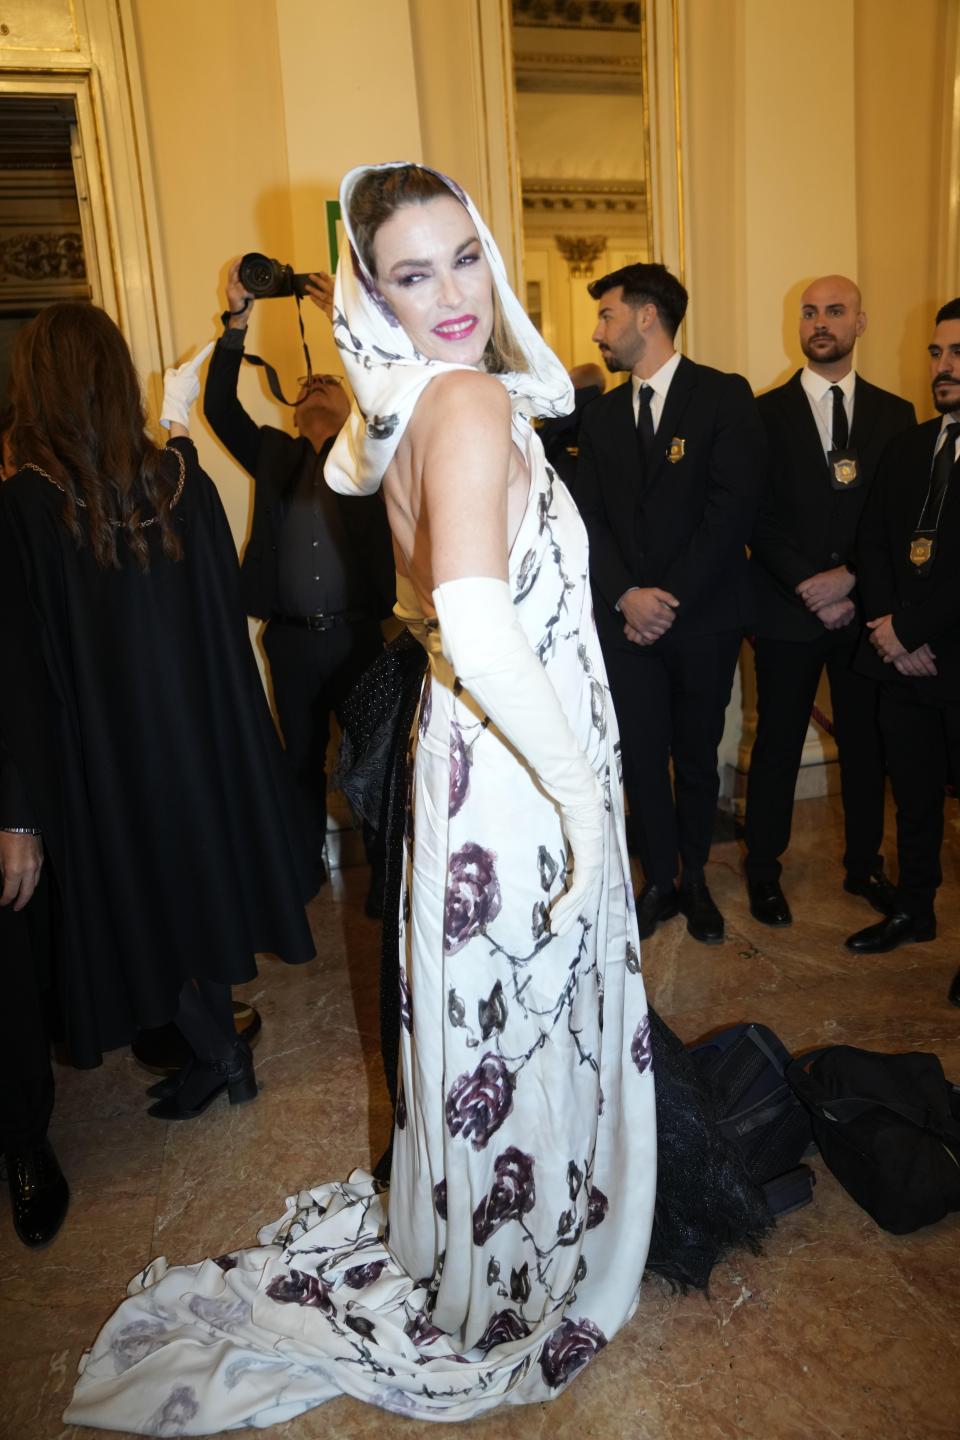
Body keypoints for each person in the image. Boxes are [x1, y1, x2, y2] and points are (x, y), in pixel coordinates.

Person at [65, 165, 768, 1433]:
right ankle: (521, 1258)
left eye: (463, 258)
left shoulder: (399, 411)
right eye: (410, 273)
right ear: (371, 294)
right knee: (530, 1019)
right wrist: (585, 808)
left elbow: (351, 481)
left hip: (469, 757)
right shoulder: (463, 402)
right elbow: (482, 626)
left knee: (496, 1023)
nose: (452, 294)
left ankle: (491, 1226)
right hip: (514, 772)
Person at [0, 304, 315, 1138]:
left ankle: (221, 1056)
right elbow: (216, 613)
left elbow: (22, 671)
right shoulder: (181, 481)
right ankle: (220, 1056)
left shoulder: (29, 504)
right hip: (200, 736)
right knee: (196, 891)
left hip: (107, 754)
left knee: (145, 905)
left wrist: (25, 804)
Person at [573, 263, 765, 945]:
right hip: (624, 623)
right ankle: (659, 880)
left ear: (647, 316)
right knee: (642, 755)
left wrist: (666, 599)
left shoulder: (723, 397)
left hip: (703, 619)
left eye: (607, 316)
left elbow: (730, 511)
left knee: (696, 753)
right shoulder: (596, 418)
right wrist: (627, 595)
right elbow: (585, 519)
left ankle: (697, 880)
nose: (598, 331)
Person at [204, 263, 396, 908]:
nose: (315, 384)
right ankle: (303, 869)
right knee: (299, 762)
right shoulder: (272, 453)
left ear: (353, 402)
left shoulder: (372, 454)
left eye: (329, 381)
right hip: (288, 643)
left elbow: (395, 396)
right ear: (291, 409)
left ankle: (384, 879)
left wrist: (339, 320)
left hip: (362, 639)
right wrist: (237, 323)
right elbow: (218, 407)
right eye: (307, 384)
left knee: (375, 758)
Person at [744, 276, 916, 926]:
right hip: (787, 612)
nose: (821, 323)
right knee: (778, 746)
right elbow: (756, 518)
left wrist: (850, 580)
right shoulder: (762, 414)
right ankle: (764, 871)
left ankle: (863, 865)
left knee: (868, 746)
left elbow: (892, 520)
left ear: (860, 323)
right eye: (810, 312)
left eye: (834, 312)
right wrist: (809, 586)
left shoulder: (896, 416)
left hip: (865, 612)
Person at [847, 298, 960, 988]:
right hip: (902, 664)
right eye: (937, 353)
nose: (944, 368)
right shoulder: (911, 445)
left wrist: (912, 631)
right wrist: (890, 630)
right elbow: (876, 544)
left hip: (953, 659)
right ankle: (914, 909)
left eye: (957, 354)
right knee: (913, 801)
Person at [538, 360, 605, 486]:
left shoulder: (565, 412)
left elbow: (542, 445)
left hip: (565, 482)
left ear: (575, 385)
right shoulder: (610, 410)